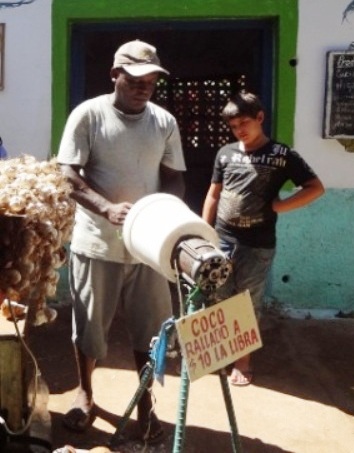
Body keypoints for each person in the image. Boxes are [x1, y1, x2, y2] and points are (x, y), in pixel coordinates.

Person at [57, 40, 186, 443]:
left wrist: (165, 216)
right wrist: (106, 209)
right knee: (90, 328)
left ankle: (146, 405)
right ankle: (85, 394)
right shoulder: (89, 115)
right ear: (115, 75)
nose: (143, 85)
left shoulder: (163, 121)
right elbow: (67, 174)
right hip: (96, 243)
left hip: (147, 248)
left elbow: (175, 176)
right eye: (134, 78)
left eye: (151, 79)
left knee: (151, 332)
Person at [202, 91, 324, 386]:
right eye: (233, 126)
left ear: (260, 118)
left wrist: (281, 205)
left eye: (245, 122)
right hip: (222, 238)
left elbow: (315, 187)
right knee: (217, 295)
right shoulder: (226, 154)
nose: (239, 130)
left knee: (247, 300)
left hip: (257, 243)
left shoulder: (282, 155)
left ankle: (242, 361)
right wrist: (203, 234)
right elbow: (213, 194)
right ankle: (218, 353)